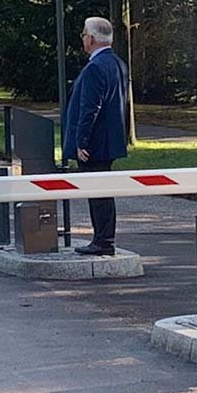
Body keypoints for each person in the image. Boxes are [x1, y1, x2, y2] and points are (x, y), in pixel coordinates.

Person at [62, 17, 128, 256]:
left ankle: (103, 240)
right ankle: (104, 238)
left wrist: (81, 141)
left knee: (97, 193)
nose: (82, 38)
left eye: (83, 34)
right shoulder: (118, 64)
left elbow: (90, 107)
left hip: (94, 144)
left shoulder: (94, 68)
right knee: (103, 192)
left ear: (91, 38)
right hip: (109, 141)